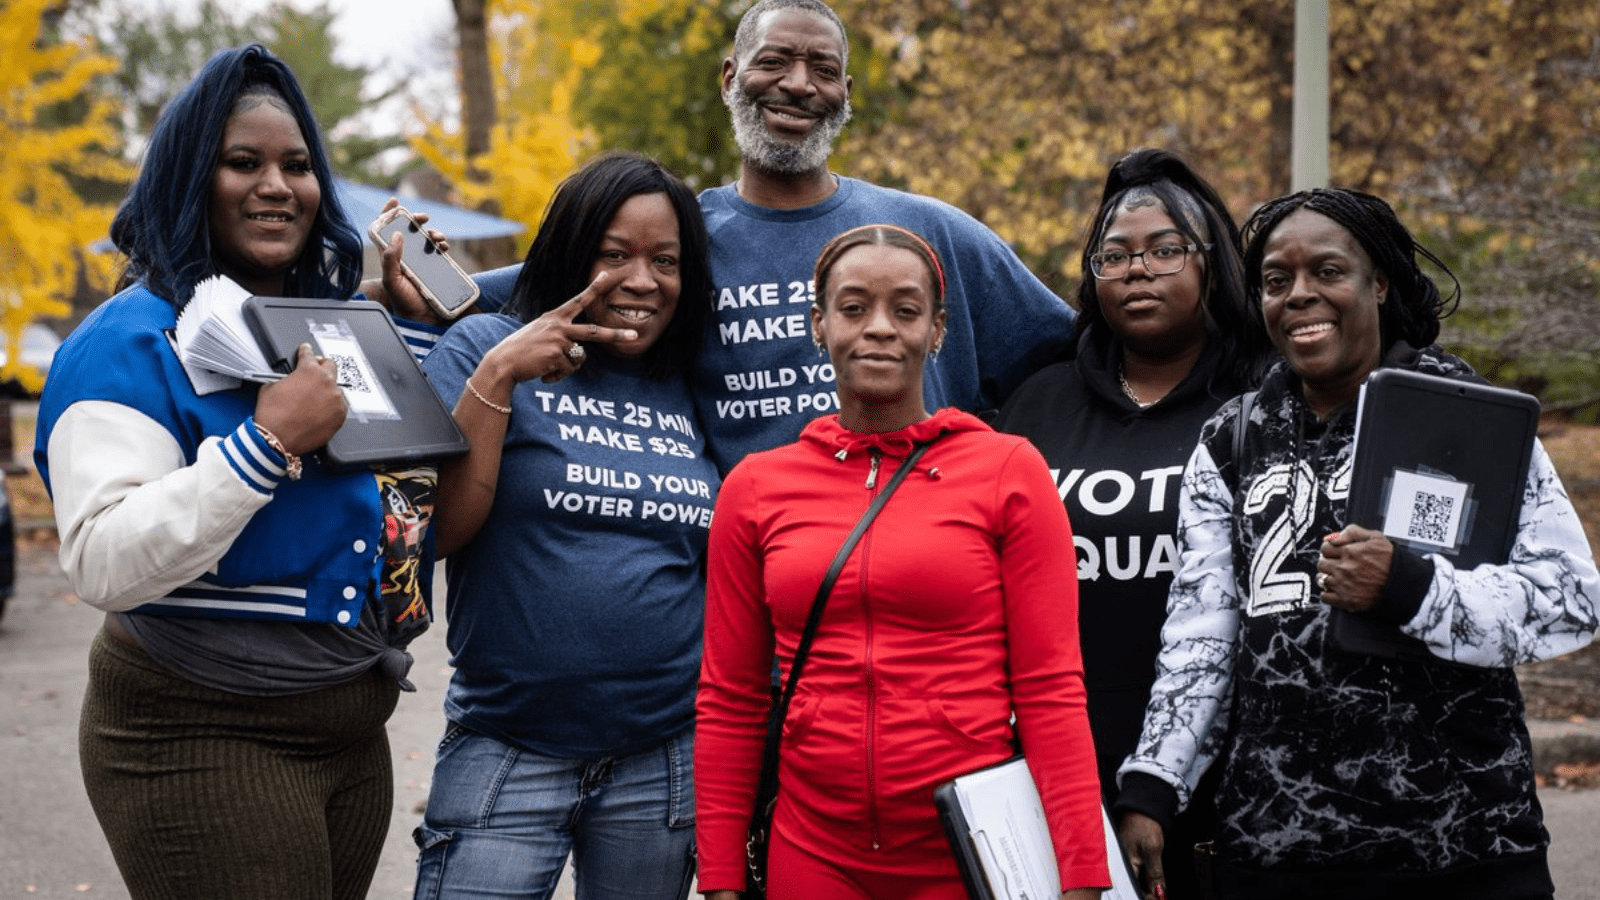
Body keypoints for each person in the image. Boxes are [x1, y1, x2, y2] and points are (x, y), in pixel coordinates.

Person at [35, 44, 449, 900]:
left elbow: (402, 499)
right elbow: (101, 559)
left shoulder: (325, 327)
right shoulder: (126, 341)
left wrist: (410, 338)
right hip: (200, 730)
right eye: (243, 162)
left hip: (348, 730)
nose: (277, 186)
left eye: (298, 166)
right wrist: (264, 446)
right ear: (192, 177)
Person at [1114, 187, 1600, 900]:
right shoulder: (1232, 438)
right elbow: (1202, 634)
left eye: (1328, 273)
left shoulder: (1467, 414)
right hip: (1276, 849)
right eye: (1277, 281)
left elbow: (1569, 599)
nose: (1300, 295)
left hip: (1464, 847)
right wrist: (1155, 782)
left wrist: (1413, 588)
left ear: (1379, 282)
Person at [475, 0, 1074, 473]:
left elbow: (1076, 353)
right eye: (773, 62)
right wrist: (400, 277)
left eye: (824, 70)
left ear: (846, 95)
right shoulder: (676, 243)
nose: (797, 84)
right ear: (730, 78)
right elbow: (517, 290)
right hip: (756, 579)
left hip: (921, 572)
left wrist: (1000, 467)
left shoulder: (931, 231)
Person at [696, 224, 1107, 900]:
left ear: (938, 330)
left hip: (970, 851)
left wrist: (1082, 875)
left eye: (905, 309)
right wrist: (719, 878)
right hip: (814, 852)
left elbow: (1050, 687)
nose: (879, 328)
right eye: (854, 308)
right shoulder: (756, 487)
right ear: (819, 325)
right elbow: (731, 699)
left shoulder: (1008, 470)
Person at [413, 151, 717, 900]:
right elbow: (440, 531)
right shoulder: (484, 349)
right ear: (571, 253)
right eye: (614, 256)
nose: (643, 281)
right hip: (508, 748)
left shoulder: (690, 382)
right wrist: (497, 378)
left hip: (663, 758)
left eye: (666, 261)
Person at [992, 148, 1274, 900]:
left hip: (1230, 777)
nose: (1137, 269)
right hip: (1054, 762)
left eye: (1164, 250)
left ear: (1212, 263)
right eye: (1114, 255)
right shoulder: (1037, 404)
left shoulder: (1265, 400)